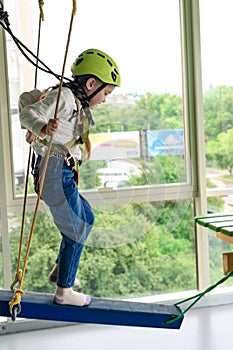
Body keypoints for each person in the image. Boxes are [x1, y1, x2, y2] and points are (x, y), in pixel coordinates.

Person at [19, 48, 121, 306]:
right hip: (53, 172)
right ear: (91, 84)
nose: (106, 99)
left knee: (86, 217)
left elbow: (29, 99)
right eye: (106, 93)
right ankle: (64, 292)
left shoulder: (75, 102)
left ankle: (60, 271)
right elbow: (26, 111)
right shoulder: (64, 97)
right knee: (76, 229)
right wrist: (40, 128)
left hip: (61, 173)